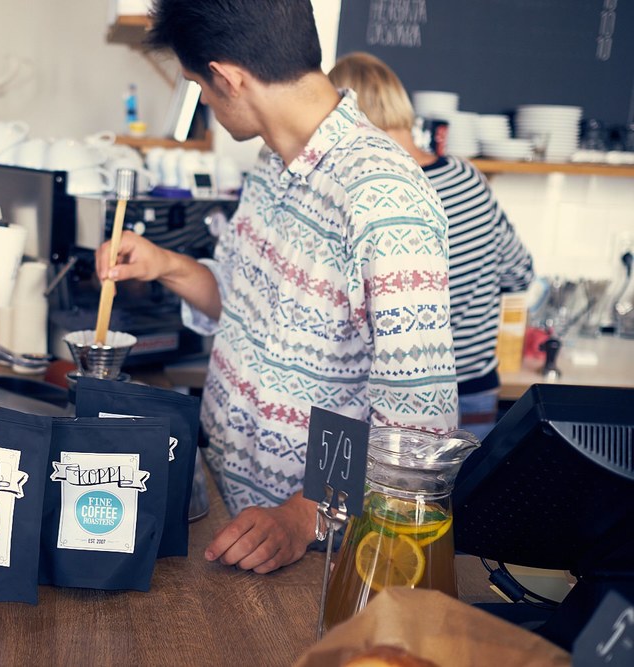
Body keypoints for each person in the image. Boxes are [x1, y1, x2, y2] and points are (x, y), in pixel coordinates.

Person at [96, 0, 457, 574]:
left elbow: (418, 426)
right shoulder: (272, 164)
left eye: (200, 88)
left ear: (230, 79)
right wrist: (164, 263)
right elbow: (239, 303)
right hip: (229, 511)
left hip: (318, 556)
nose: (208, 106)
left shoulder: (384, 196)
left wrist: (305, 515)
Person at [328, 52, 535, 441]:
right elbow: (519, 270)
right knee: (464, 498)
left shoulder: (375, 193)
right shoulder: (469, 176)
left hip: (400, 403)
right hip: (477, 386)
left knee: (402, 500)